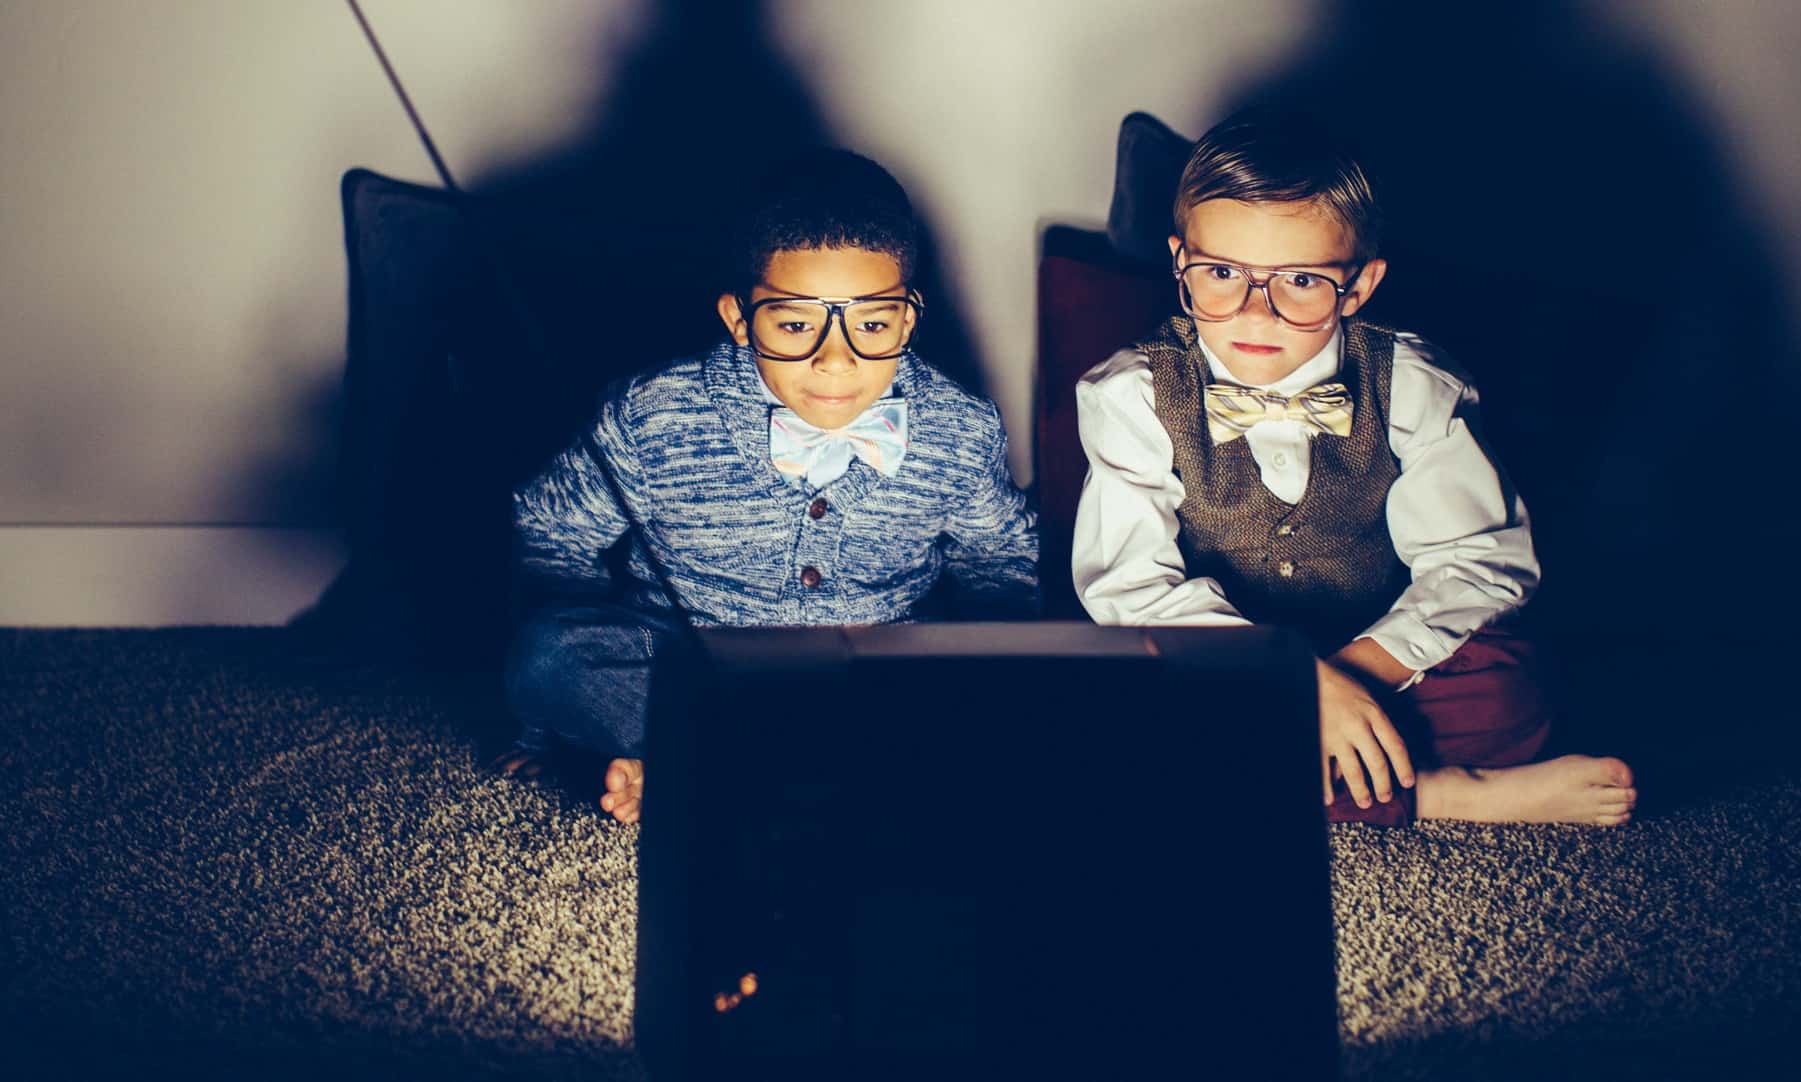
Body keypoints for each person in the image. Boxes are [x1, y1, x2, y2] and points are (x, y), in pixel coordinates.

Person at [1072, 107, 1634, 827]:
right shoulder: (1133, 395)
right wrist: (1298, 684)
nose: (1256, 313)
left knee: (1510, 693)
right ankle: (1438, 795)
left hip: (1383, 655)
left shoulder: (1416, 384)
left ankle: (1333, 772)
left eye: (1300, 281)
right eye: (1220, 274)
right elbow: (1131, 588)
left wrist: (1350, 679)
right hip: (1225, 661)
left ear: (1361, 286)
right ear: (1180, 261)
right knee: (1121, 730)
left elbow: (1479, 562)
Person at [500, 149, 1038, 823]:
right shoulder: (651, 412)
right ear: (738, 318)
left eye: (871, 323)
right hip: (689, 665)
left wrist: (976, 656)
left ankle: (703, 765)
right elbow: (550, 529)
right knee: (549, 658)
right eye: (794, 324)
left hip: (869, 675)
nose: (835, 358)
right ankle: (769, 761)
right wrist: (544, 730)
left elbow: (1002, 560)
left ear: (907, 318)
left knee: (1012, 700)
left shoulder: (960, 427)